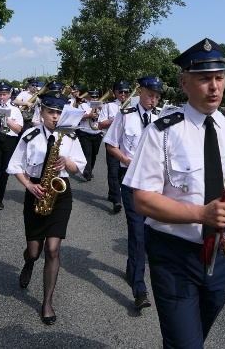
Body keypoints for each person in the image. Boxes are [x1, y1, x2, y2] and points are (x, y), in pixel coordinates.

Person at [123, 38, 225, 348]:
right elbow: (143, 199)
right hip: (174, 255)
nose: (214, 87)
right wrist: (200, 214)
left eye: (219, 78)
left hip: (223, 254)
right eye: (204, 79)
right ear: (185, 83)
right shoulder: (162, 133)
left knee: (193, 337)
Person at [7, 91, 86, 325]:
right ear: (41, 112)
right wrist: (29, 186)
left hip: (60, 195)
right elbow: (15, 166)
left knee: (53, 249)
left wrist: (67, 162)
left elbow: (78, 168)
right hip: (35, 192)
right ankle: (29, 263)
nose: (54, 117)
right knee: (34, 251)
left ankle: (47, 302)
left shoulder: (70, 137)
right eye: (50, 112)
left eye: (59, 112)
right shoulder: (30, 135)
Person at [103, 75, 162, 310]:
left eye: (157, 97)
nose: (153, 101)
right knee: (137, 231)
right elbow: (110, 144)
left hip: (154, 183)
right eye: (150, 95)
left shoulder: (161, 119)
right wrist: (127, 159)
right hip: (130, 180)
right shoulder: (125, 116)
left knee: (148, 233)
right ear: (140, 93)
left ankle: (131, 268)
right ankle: (140, 289)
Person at [0, 82, 24, 218]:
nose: (2, 97)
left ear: (9, 95)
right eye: (0, 94)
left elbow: (18, 130)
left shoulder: (15, 110)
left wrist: (7, 119)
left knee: (5, 172)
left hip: (9, 140)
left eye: (5, 94)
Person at [98, 81, 131, 213]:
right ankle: (116, 200)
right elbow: (100, 125)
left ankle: (115, 193)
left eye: (126, 92)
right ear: (115, 92)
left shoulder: (134, 106)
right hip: (113, 143)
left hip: (128, 144)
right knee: (113, 171)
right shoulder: (109, 106)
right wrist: (117, 118)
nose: (123, 94)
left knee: (123, 173)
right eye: (120, 92)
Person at [76, 89, 104, 181]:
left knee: (94, 153)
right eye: (93, 97)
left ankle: (89, 170)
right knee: (87, 152)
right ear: (89, 97)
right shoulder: (83, 106)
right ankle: (86, 171)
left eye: (96, 97)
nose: (94, 99)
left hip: (97, 132)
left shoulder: (102, 106)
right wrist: (88, 116)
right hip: (85, 132)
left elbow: (106, 118)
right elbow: (77, 117)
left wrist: (101, 111)